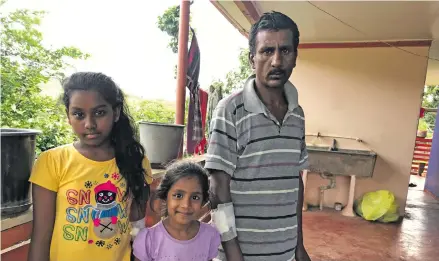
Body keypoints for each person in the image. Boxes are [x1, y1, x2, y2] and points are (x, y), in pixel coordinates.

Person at [205, 11, 311, 261]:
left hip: (284, 253)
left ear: (295, 57)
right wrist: (233, 253)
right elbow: (217, 187)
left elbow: (294, 181)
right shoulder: (230, 109)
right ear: (252, 59)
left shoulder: (297, 113)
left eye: (285, 50)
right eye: (266, 51)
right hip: (240, 254)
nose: (276, 61)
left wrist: (298, 246)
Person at [28, 72, 152, 261]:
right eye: (78, 114)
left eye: (99, 112)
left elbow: (138, 227)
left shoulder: (135, 161)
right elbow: (40, 238)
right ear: (68, 117)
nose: (89, 124)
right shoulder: (52, 161)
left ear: (116, 113)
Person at [133, 160, 221, 261]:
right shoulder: (149, 240)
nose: (186, 205)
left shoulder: (209, 236)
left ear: (203, 201)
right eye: (178, 195)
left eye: (195, 197)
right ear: (165, 196)